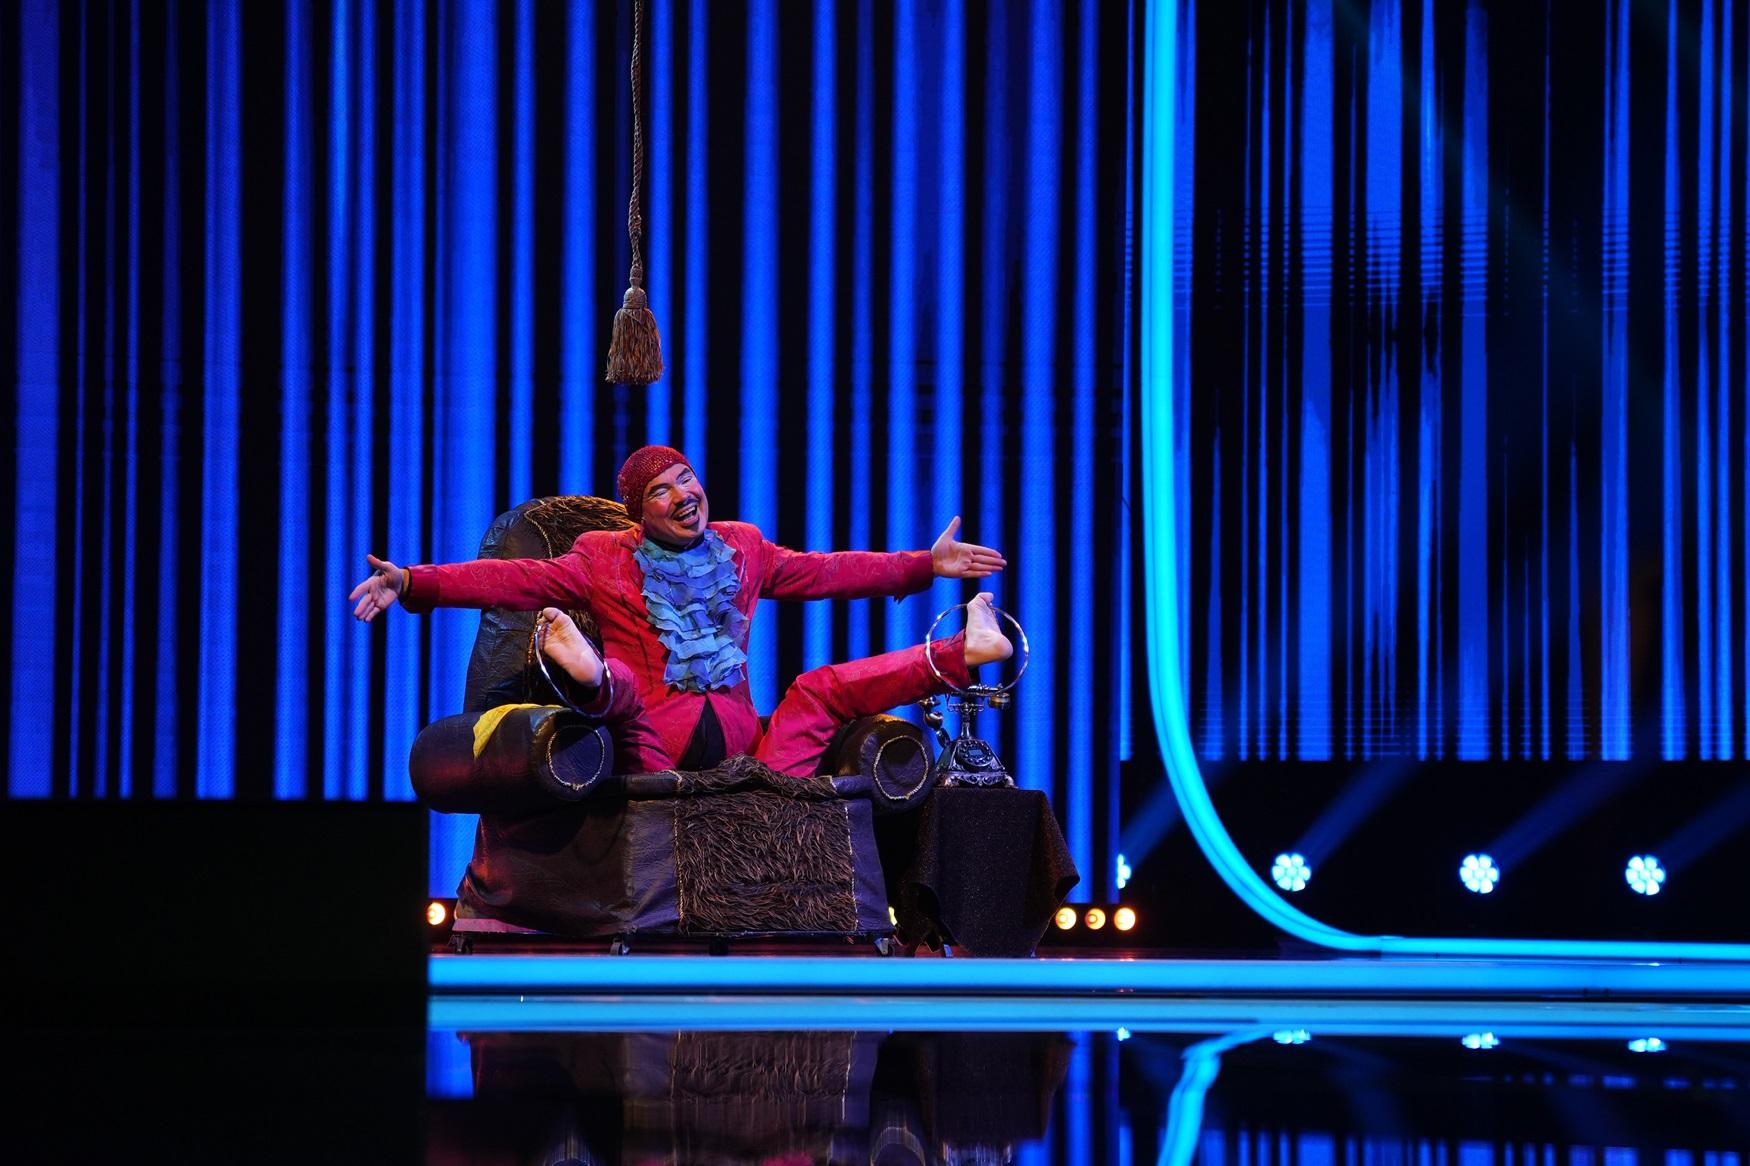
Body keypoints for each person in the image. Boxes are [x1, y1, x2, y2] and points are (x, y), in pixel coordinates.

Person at [350, 444, 1012, 776]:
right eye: (661, 492)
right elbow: (514, 579)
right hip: (649, 746)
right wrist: (412, 582)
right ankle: (586, 671)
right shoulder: (602, 557)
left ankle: (964, 652)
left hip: (752, 761)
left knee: (820, 688)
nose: (683, 495)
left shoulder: (743, 547)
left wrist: (926, 564)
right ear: (640, 513)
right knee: (620, 684)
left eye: (685, 479)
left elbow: (827, 571)